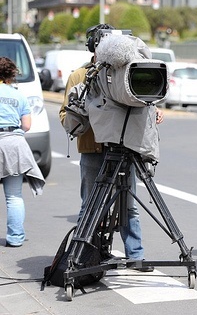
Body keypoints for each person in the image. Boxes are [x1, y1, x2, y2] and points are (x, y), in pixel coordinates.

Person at [59, 24, 164, 270]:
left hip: (125, 148)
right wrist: (85, 115)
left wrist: (153, 111)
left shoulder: (128, 71)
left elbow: (138, 101)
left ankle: (135, 256)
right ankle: (88, 255)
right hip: (93, 149)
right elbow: (66, 114)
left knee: (129, 206)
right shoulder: (79, 75)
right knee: (91, 206)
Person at [0, 57, 45, 247]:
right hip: (13, 145)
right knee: (14, 196)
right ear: (11, 75)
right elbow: (26, 125)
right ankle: (15, 238)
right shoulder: (18, 96)